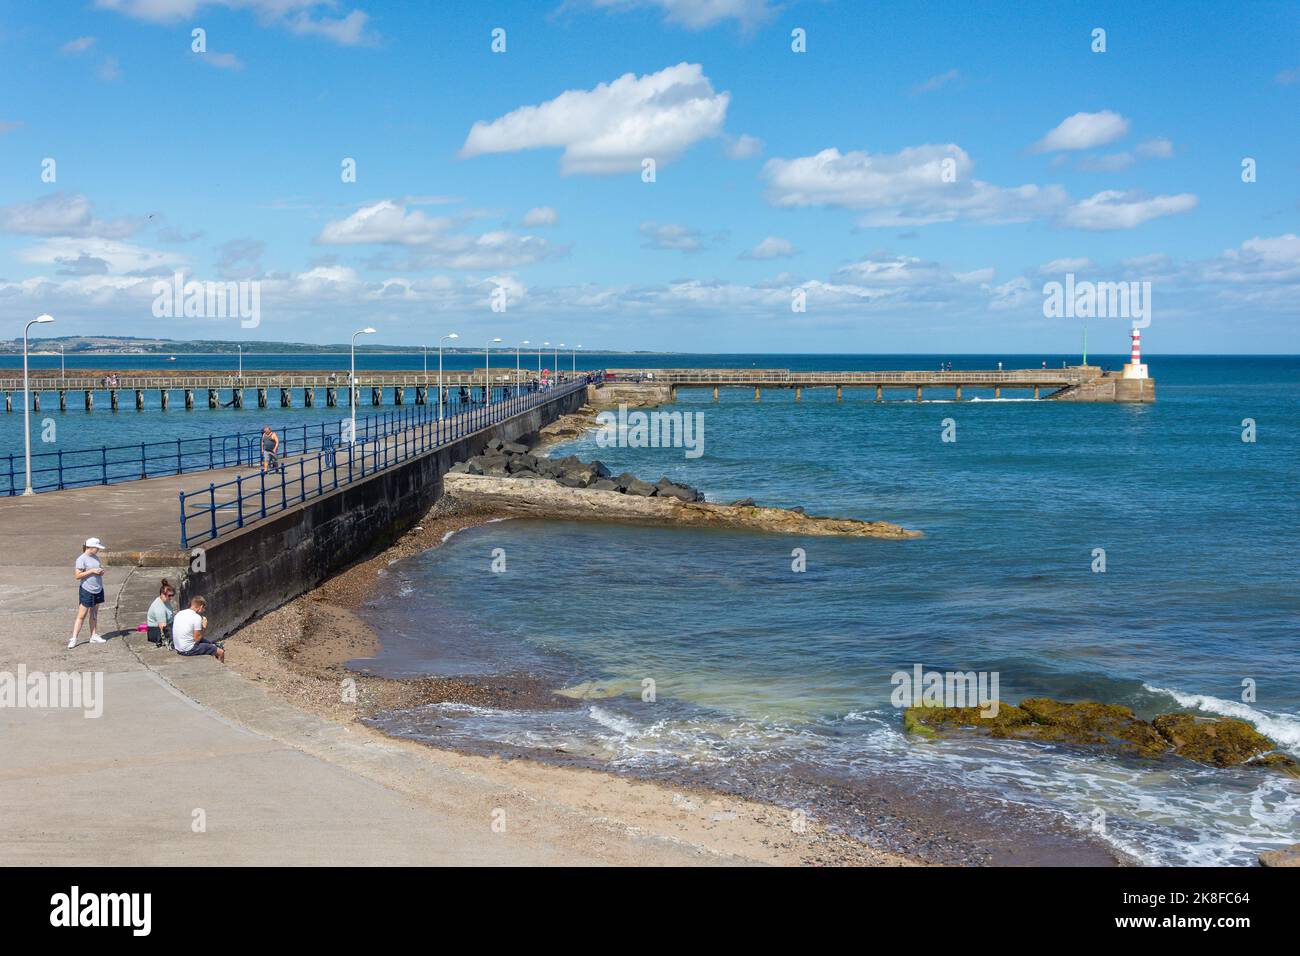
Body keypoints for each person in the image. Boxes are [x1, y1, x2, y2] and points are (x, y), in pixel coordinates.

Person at [71, 538, 108, 648]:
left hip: (98, 588)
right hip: (87, 589)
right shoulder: (81, 559)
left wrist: (101, 572)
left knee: (94, 614)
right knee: (82, 615)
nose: (98, 550)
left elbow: (97, 569)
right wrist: (92, 571)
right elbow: (77, 576)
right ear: (90, 547)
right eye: (97, 548)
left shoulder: (95, 558)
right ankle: (74, 638)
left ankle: (93, 635)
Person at [172, 596, 224, 662]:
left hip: (178, 647)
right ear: (201, 606)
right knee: (221, 652)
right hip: (188, 650)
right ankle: (219, 670)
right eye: (204, 608)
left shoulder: (180, 613)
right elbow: (197, 638)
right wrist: (204, 626)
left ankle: (213, 646)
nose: (204, 610)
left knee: (210, 644)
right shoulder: (196, 617)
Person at [147, 579, 176, 648]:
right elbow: (163, 627)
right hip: (157, 633)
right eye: (169, 595)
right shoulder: (159, 607)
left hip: (169, 625)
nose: (171, 598)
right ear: (162, 594)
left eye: (172, 595)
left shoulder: (165, 601)